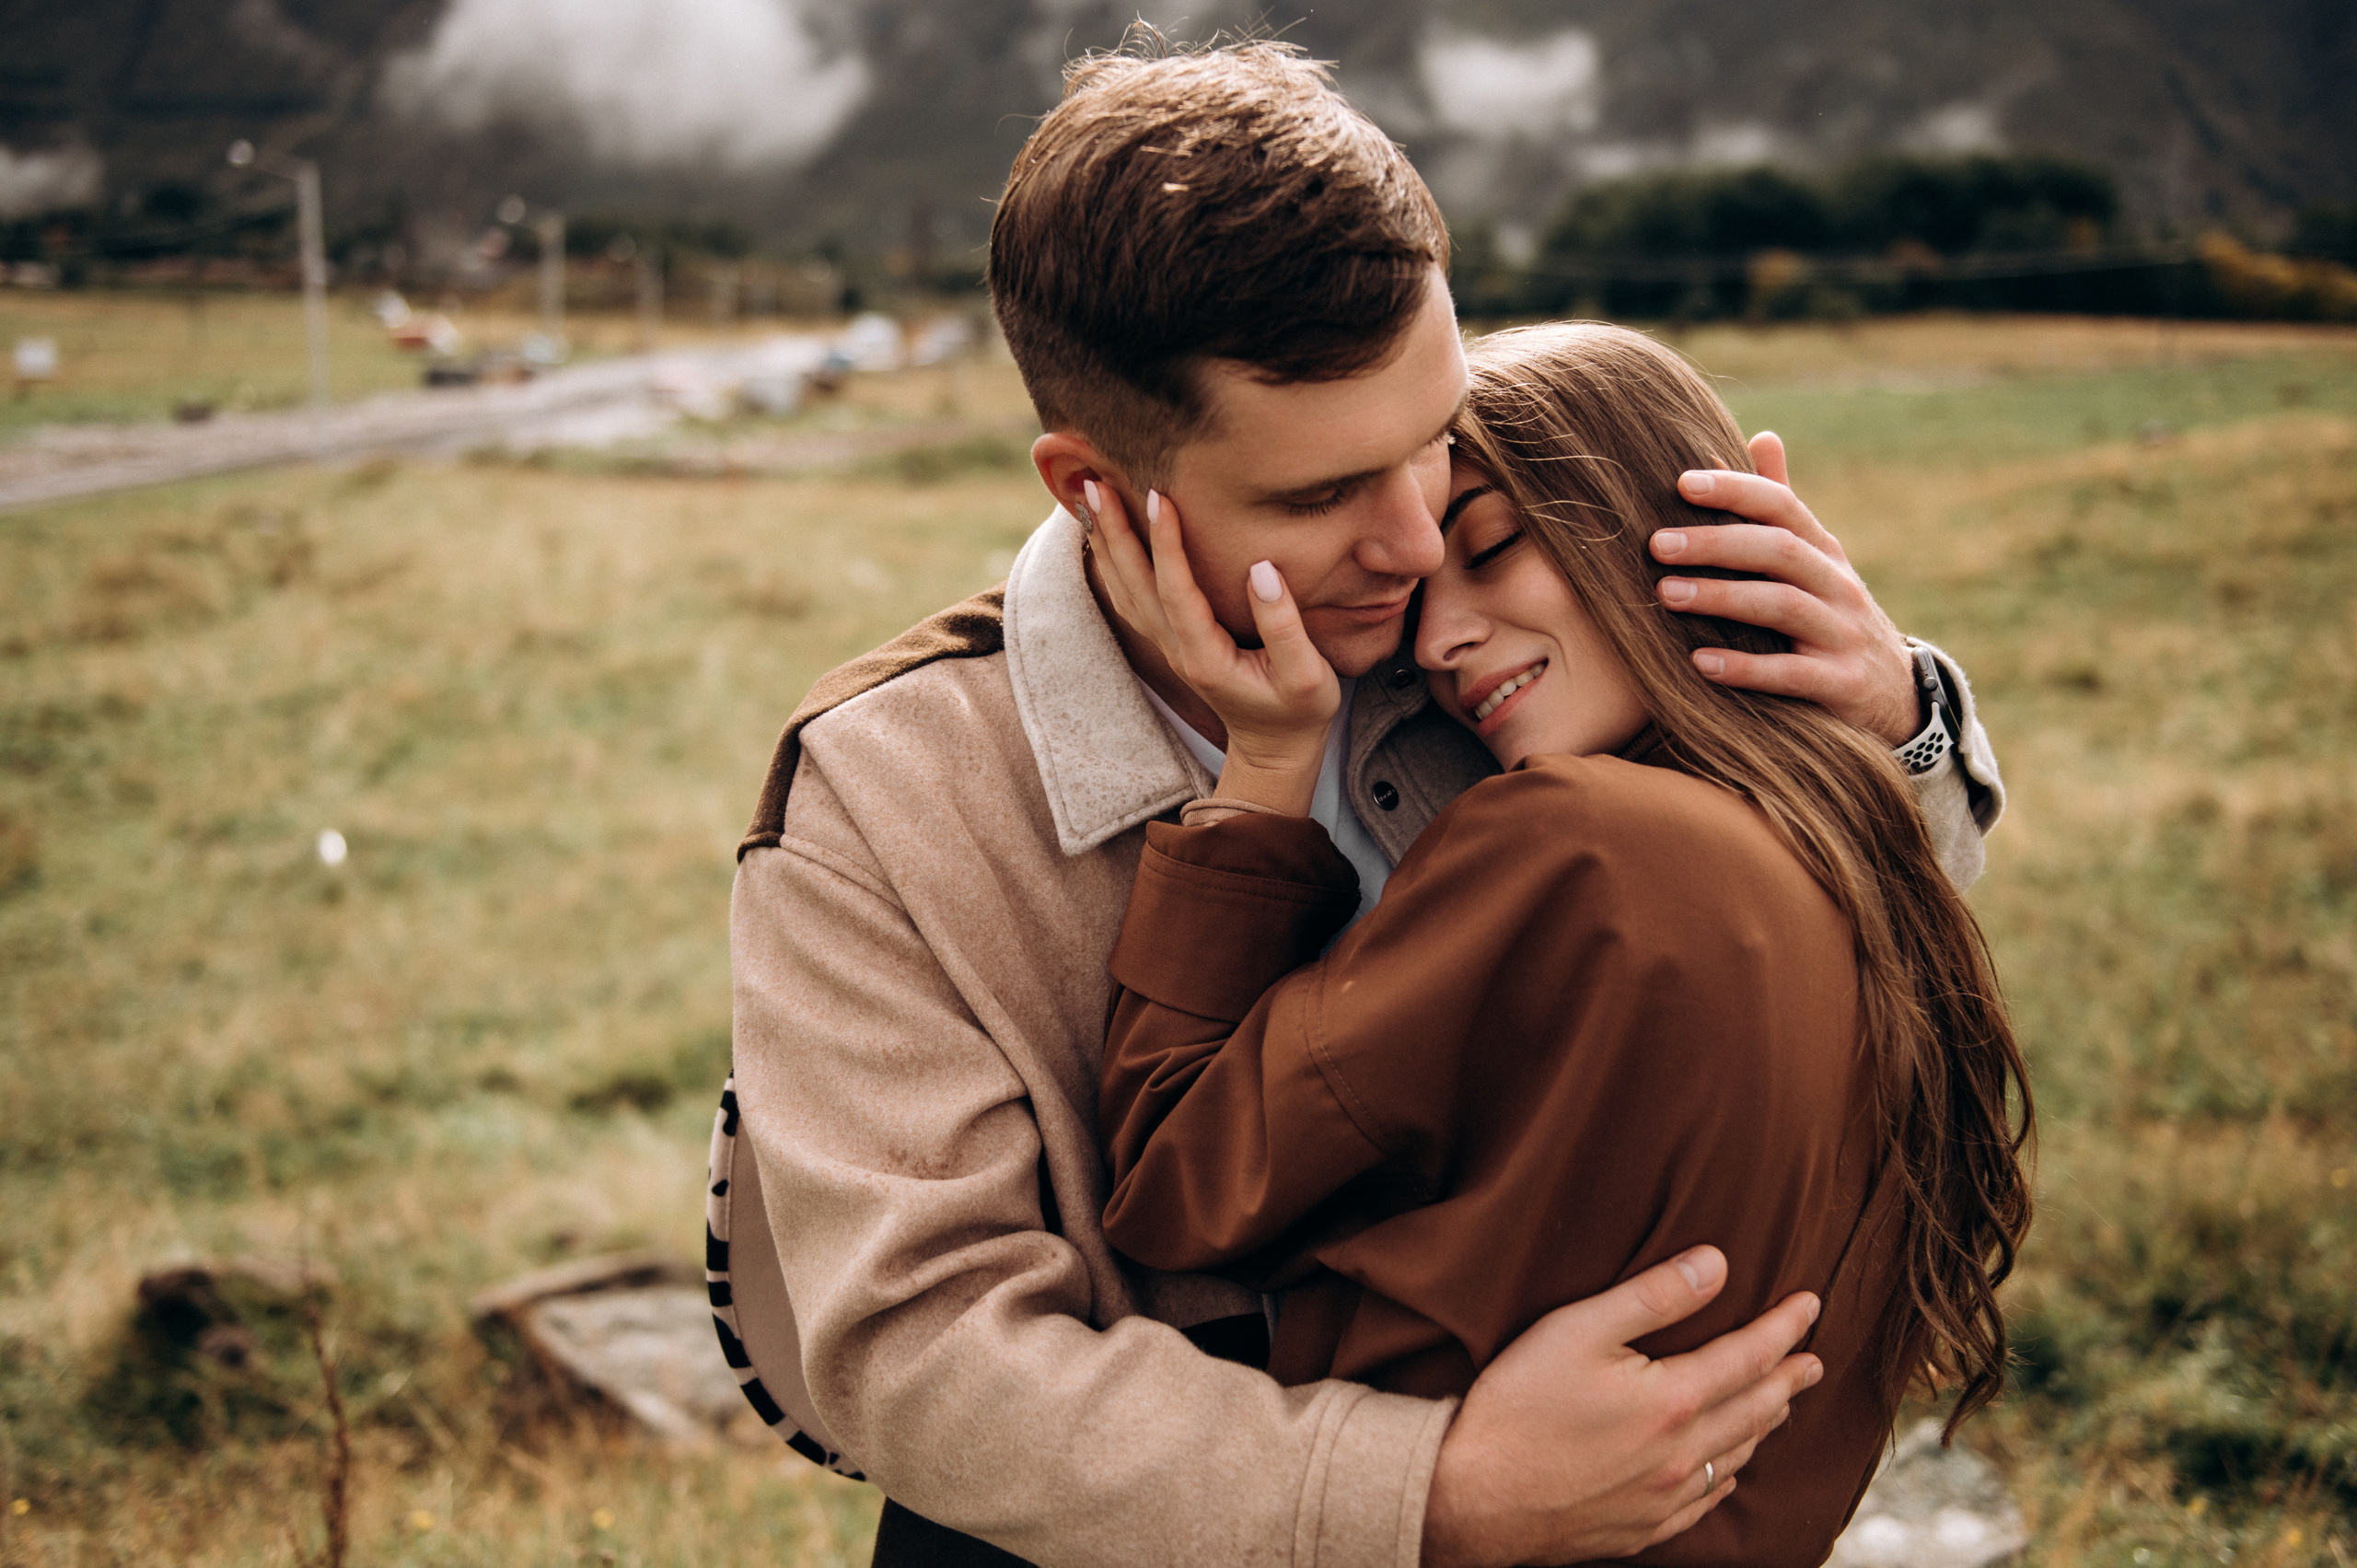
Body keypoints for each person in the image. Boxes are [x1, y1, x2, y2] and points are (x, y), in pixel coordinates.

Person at [718, 39, 2006, 1568]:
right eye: (1322, 496)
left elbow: (1779, 950)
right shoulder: (879, 800)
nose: (1413, 545)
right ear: (1093, 488)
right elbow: (922, 1363)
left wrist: (1897, 724)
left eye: (1434, 442)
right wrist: (1437, 1490)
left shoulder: (1500, 646)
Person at [1086, 320, 2035, 1567]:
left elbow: (1174, 1177)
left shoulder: (1566, 840)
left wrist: (1264, 768)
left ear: (1693, 530)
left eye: (1490, 550)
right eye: (1419, 610)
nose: (1438, 644)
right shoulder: (1867, 873)